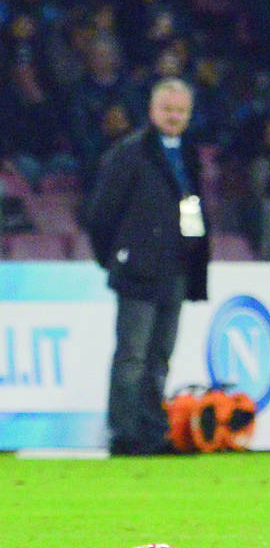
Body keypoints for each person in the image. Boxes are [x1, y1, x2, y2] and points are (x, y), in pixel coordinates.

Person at [85, 78, 210, 456]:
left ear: (189, 114)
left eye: (181, 111)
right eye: (167, 109)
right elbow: (100, 213)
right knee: (133, 355)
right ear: (152, 110)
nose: (174, 116)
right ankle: (124, 433)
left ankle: (154, 431)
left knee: (159, 356)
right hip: (138, 268)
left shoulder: (188, 153)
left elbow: (195, 210)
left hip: (176, 268)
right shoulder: (130, 152)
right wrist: (117, 256)